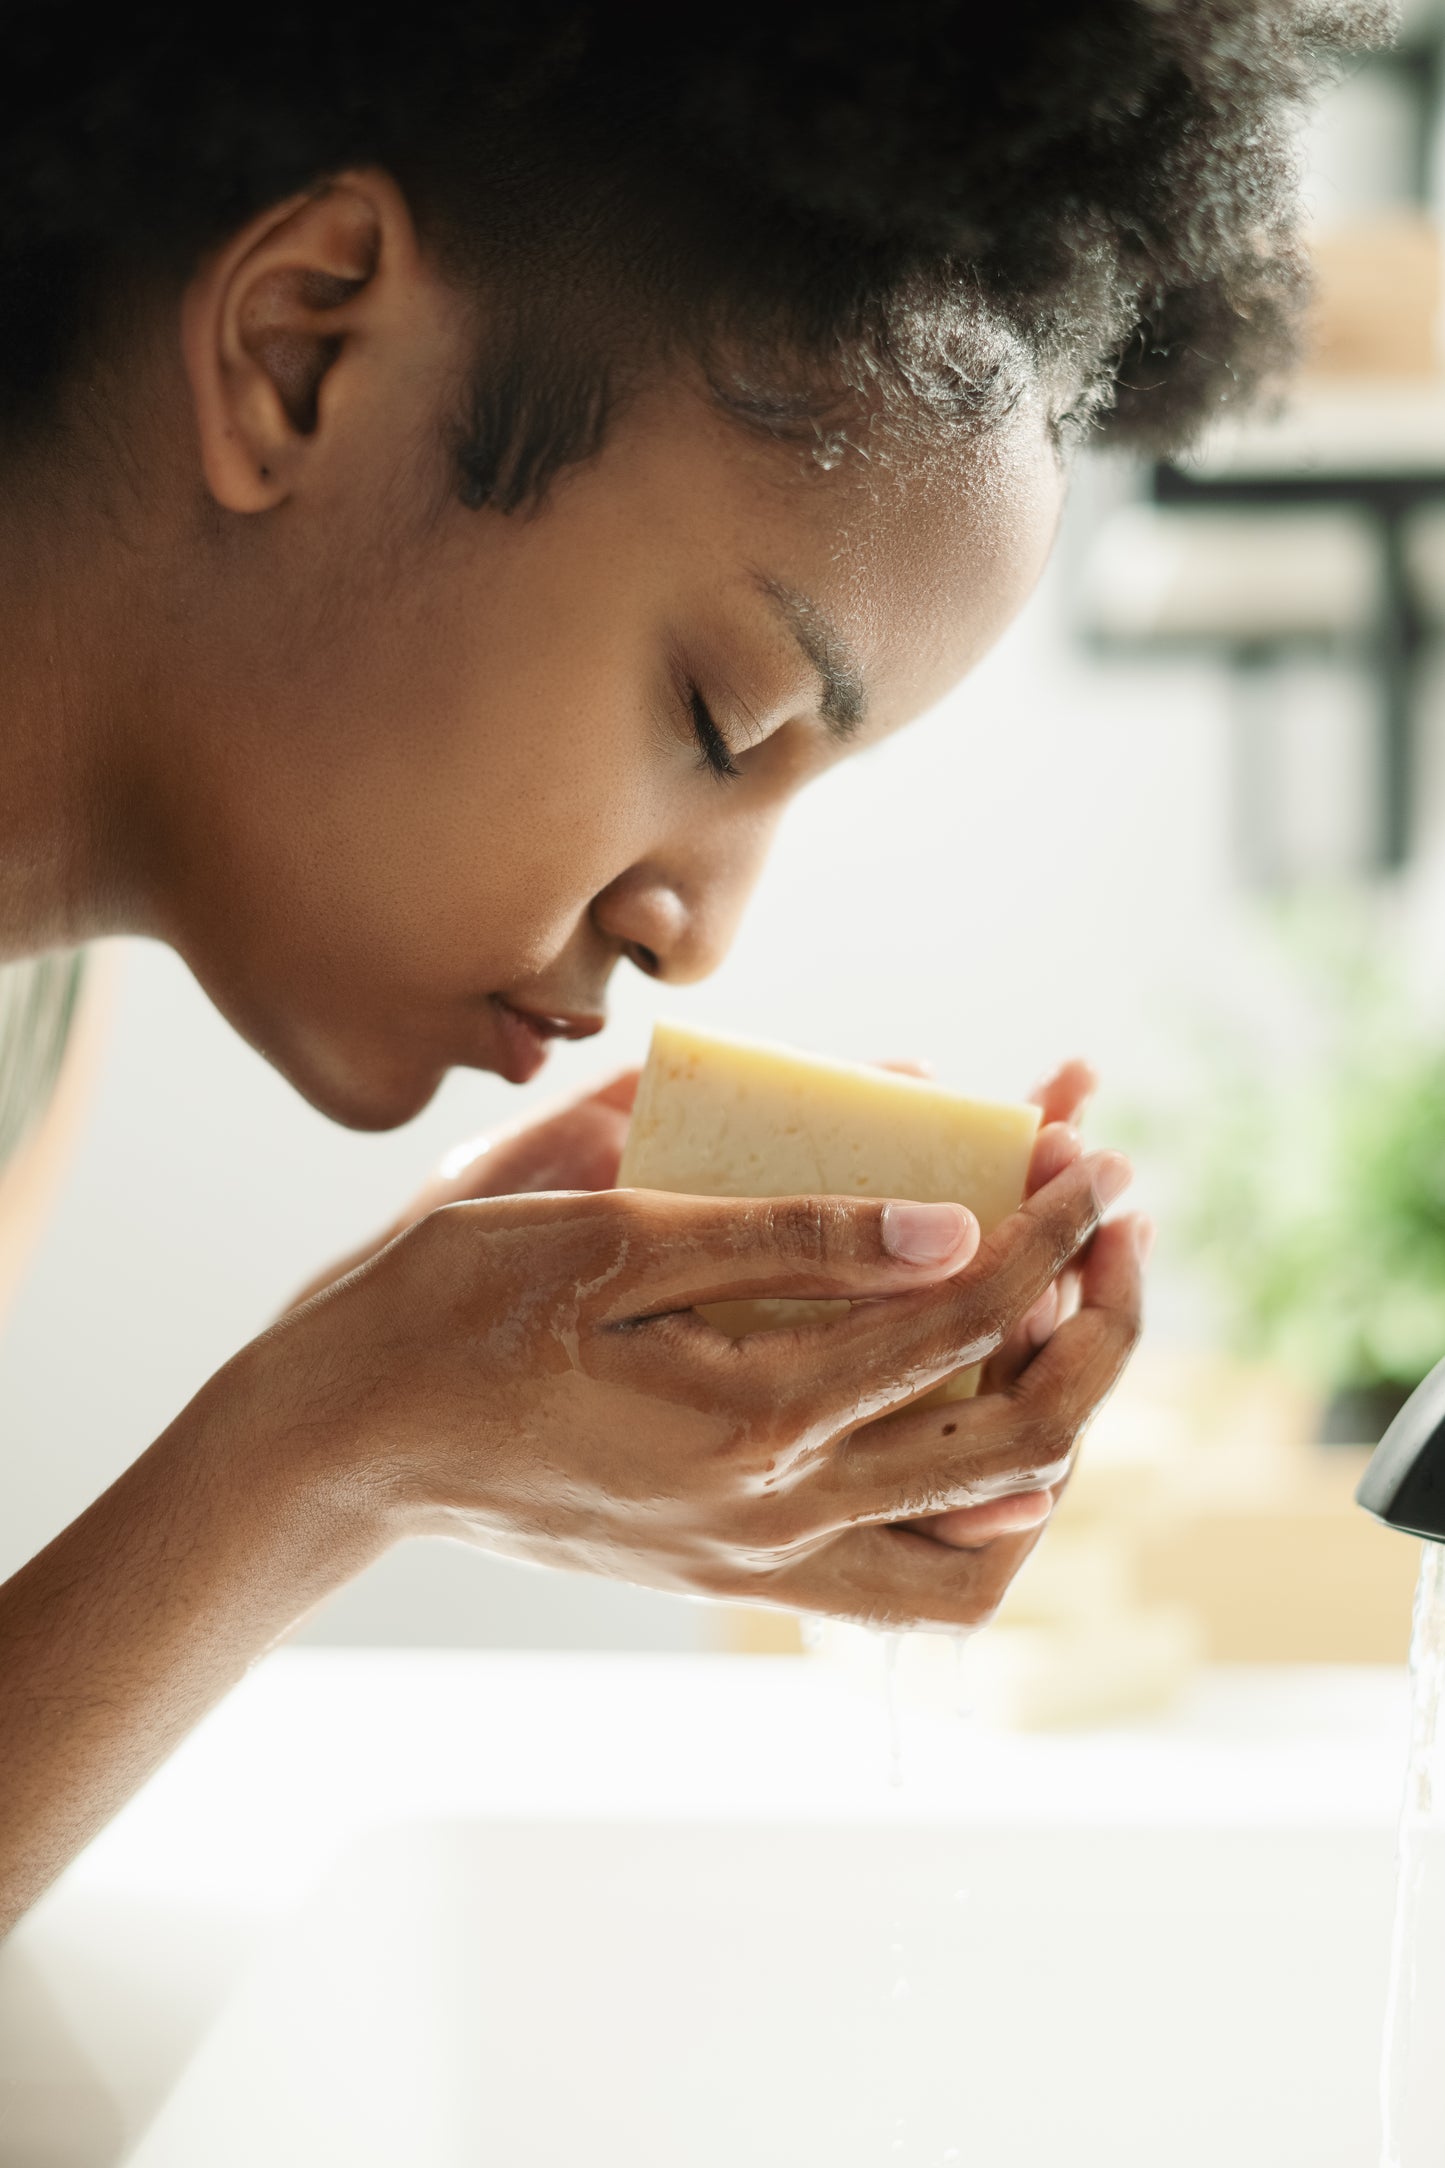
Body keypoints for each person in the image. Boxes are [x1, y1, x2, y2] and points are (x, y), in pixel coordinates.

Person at [0, 1, 1379, 1933]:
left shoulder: (33, 1013)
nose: (700, 926)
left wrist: (396, 1375)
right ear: (301, 351)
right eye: (724, 721)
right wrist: (332, 1450)